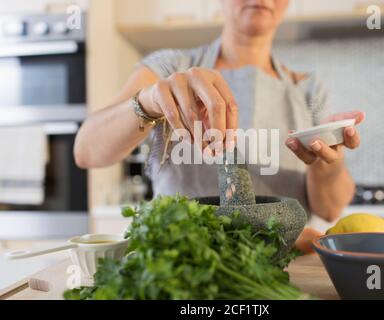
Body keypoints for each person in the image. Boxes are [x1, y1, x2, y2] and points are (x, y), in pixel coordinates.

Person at [74, 0, 364, 249]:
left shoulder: (308, 90)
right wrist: (149, 101)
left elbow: (329, 209)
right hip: (183, 260)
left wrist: (330, 160)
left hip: (280, 265)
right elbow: (87, 151)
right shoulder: (169, 68)